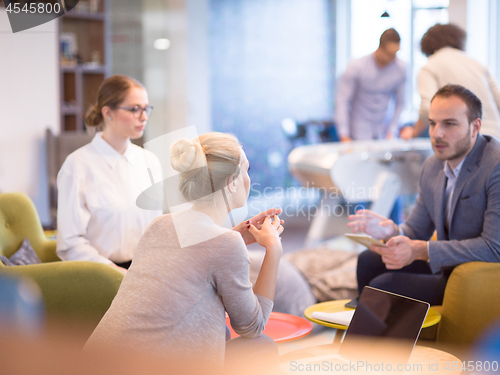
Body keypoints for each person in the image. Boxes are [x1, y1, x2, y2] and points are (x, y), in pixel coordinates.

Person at [85, 132, 284, 374]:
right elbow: (252, 326)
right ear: (232, 181)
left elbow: (197, 260)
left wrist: (235, 236)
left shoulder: (159, 225)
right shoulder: (225, 244)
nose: (248, 179)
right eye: (246, 170)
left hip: (96, 363)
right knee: (261, 347)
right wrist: (273, 249)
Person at [347, 84, 500, 306]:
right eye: (432, 123)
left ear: (475, 127)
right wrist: (392, 231)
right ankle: (370, 337)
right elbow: (416, 231)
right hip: (446, 266)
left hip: (476, 276)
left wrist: (421, 250)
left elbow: (494, 247)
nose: (437, 133)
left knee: (384, 287)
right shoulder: (433, 166)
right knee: (369, 262)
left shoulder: (495, 165)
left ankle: (373, 334)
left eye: (449, 124)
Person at [56, 75, 163, 274]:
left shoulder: (149, 161)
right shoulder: (77, 166)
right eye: (134, 109)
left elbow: (156, 228)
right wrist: (112, 272)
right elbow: (69, 243)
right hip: (100, 276)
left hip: (147, 270)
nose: (144, 117)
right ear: (108, 113)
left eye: (146, 108)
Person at [400, 23, 500, 140]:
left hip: (464, 141)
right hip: (494, 139)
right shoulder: (478, 65)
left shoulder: (430, 66)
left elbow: (427, 108)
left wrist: (413, 132)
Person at [335, 28, 406, 142]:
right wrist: (344, 134)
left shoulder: (400, 69)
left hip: (384, 131)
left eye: (395, 54)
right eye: (389, 54)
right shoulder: (356, 66)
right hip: (358, 130)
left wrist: (393, 129)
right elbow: (342, 101)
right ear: (379, 48)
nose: (393, 59)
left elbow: (400, 102)